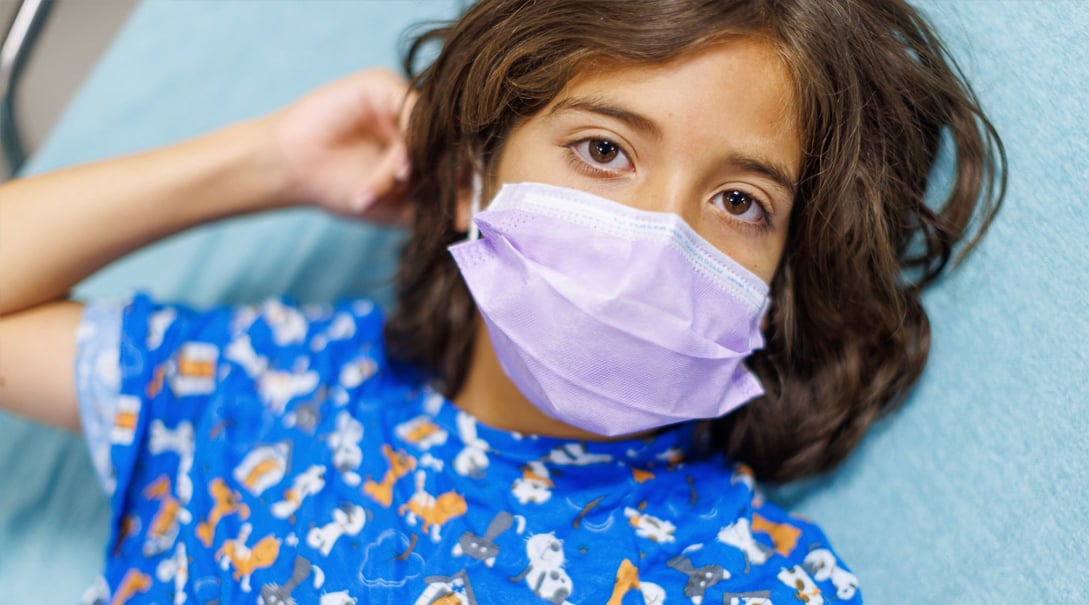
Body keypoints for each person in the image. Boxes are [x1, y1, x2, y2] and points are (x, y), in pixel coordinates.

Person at [0, 0, 1005, 603]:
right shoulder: (273, 383)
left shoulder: (742, 577)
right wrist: (266, 161)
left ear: (778, 273)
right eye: (604, 149)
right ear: (479, 170)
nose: (660, 233)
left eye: (740, 200)